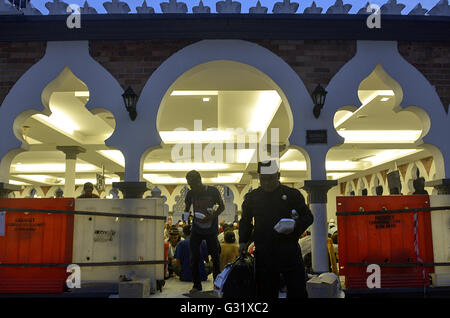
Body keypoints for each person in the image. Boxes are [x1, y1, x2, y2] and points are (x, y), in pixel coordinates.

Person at [239, 160, 314, 298]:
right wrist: (243, 241)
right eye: (263, 179)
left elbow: (308, 217)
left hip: (289, 250)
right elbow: (245, 221)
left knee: (297, 291)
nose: (267, 183)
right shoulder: (252, 198)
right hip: (264, 252)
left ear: (278, 176)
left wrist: (294, 225)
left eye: (271, 178)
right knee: (266, 292)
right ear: (259, 177)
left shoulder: (292, 195)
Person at [184, 170, 225, 293]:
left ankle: (216, 285)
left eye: (192, 184)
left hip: (211, 229)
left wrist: (212, 216)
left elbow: (222, 207)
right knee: (194, 257)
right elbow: (186, 209)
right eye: (189, 184)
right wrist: (186, 220)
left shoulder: (213, 191)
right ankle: (197, 285)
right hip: (196, 229)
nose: (191, 187)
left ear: (199, 180)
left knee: (215, 258)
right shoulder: (190, 193)